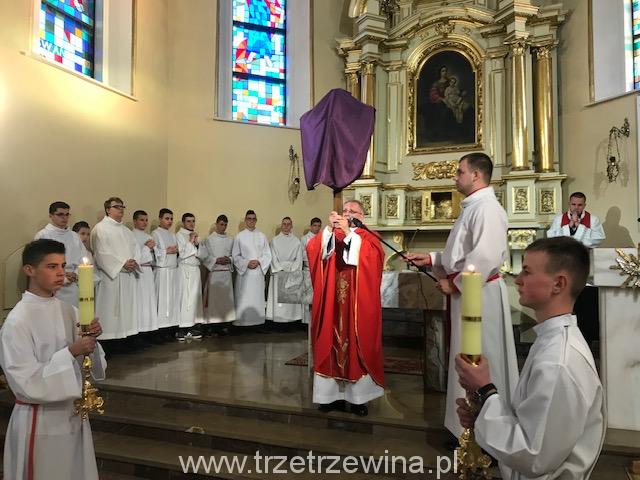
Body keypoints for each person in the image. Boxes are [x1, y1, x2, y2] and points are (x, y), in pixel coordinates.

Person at [455, 237, 606, 480]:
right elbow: (534, 423)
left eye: (527, 271)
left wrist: (485, 389)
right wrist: (483, 412)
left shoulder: (559, 362)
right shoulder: (552, 340)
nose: (518, 279)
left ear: (558, 284)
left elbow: (532, 455)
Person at [405, 152, 518, 438]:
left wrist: (455, 284)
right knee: (467, 357)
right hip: (471, 293)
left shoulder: (487, 209)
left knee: (480, 357)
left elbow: (485, 256)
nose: (455, 177)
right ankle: (466, 430)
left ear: (476, 175)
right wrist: (432, 259)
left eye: (459, 172)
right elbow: (462, 253)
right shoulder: (473, 207)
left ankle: (485, 435)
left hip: (480, 297)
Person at [0, 239, 106, 480]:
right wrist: (71, 352)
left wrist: (92, 340)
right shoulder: (17, 321)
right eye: (51, 266)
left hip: (72, 413)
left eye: (63, 265)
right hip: (40, 419)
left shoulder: (69, 310)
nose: (61, 273)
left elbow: (90, 367)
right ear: (29, 270)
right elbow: (25, 382)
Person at [307, 200, 384, 417]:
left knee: (357, 346)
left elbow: (372, 259)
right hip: (332, 302)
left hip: (356, 305)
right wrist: (329, 229)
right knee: (329, 341)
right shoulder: (333, 234)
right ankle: (329, 397)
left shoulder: (369, 237)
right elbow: (313, 249)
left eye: (353, 211)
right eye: (345, 211)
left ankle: (358, 399)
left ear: (362, 216)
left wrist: (349, 233)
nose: (347, 214)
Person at [547, 192, 605, 347]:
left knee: (586, 309)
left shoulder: (593, 220)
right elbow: (552, 238)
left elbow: (598, 239)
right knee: (566, 307)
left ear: (584, 205)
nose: (576, 208)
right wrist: (569, 227)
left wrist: (579, 227)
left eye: (580, 205)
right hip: (563, 269)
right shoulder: (559, 220)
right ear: (569, 203)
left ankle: (586, 342)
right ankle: (563, 341)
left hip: (585, 271)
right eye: (573, 204)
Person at [90, 197, 140, 340]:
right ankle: (109, 341)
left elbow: (136, 249)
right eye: (117, 206)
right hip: (110, 276)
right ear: (108, 209)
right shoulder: (100, 228)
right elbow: (100, 253)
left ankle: (126, 339)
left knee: (127, 311)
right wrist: (122, 264)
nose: (121, 209)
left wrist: (134, 262)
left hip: (127, 275)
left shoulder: (126, 231)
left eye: (122, 206)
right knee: (110, 311)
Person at [34, 201, 89, 307]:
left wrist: (76, 273)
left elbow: (83, 259)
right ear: (50, 216)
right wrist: (62, 275)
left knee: (73, 315)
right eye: (60, 214)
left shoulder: (74, 236)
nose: (65, 218)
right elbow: (39, 264)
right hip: (52, 287)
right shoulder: (43, 235)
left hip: (73, 284)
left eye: (67, 214)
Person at [232, 210, 271, 328]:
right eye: (249, 218)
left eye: (253, 219)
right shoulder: (239, 236)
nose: (251, 221)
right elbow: (235, 256)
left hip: (257, 273)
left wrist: (259, 261)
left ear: (256, 220)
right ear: (245, 220)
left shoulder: (262, 236)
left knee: (257, 298)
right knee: (244, 298)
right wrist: (247, 263)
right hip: (245, 273)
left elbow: (267, 255)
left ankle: (257, 323)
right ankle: (243, 323)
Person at [266, 217, 303, 326]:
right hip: (279, 272)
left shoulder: (296, 241)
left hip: (292, 272)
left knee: (290, 300)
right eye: (284, 224)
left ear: (291, 226)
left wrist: (293, 270)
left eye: (288, 224)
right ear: (281, 226)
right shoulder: (275, 240)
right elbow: (272, 257)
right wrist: (279, 269)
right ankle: (278, 321)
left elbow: (299, 258)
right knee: (278, 299)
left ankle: (291, 320)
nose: (286, 226)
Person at [201, 214, 235, 332]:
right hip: (214, 272)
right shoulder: (209, 239)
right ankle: (212, 326)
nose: (223, 227)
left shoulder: (231, 239)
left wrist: (229, 259)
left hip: (226, 273)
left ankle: (225, 324)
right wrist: (216, 260)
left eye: (225, 225)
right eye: (221, 224)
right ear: (216, 224)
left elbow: (235, 255)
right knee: (214, 301)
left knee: (225, 301)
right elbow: (205, 256)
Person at [152, 208, 181, 336]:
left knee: (172, 301)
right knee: (162, 301)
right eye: (167, 218)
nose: (169, 221)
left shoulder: (173, 235)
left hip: (173, 271)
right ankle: (160, 331)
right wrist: (166, 251)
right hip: (162, 272)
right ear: (160, 219)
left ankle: (171, 329)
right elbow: (153, 253)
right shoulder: (155, 234)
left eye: (171, 219)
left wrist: (176, 250)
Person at [176, 213, 204, 340]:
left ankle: (193, 326)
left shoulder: (196, 235)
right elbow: (182, 254)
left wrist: (197, 244)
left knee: (195, 299)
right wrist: (191, 241)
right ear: (183, 222)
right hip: (185, 270)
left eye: (193, 221)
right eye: (188, 221)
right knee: (186, 298)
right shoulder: (179, 235)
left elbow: (204, 254)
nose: (192, 224)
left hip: (195, 270)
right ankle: (183, 328)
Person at [132, 210, 159, 336]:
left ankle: (149, 331)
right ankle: (139, 333)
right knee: (140, 302)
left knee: (149, 302)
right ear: (135, 221)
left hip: (149, 271)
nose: (145, 222)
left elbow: (156, 256)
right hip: (139, 272)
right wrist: (147, 248)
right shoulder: (132, 236)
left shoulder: (149, 236)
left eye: (146, 220)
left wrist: (154, 251)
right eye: (141, 220)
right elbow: (136, 257)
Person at [301, 217, 322, 324]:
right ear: (310, 226)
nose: (316, 228)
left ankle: (317, 320)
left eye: (319, 226)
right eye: (314, 225)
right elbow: (303, 254)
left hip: (320, 271)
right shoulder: (305, 239)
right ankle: (307, 322)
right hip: (308, 270)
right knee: (308, 296)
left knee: (318, 296)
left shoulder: (323, 237)